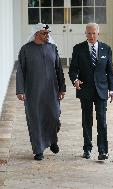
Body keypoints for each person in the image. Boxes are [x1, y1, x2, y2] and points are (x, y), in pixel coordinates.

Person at [16, 23, 66, 161]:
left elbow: (59, 69)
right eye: (44, 33)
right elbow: (20, 71)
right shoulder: (26, 50)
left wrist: (62, 88)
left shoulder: (53, 48)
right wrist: (20, 90)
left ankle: (52, 140)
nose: (47, 35)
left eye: (48, 33)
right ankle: (38, 150)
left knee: (54, 117)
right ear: (36, 34)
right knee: (35, 120)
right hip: (33, 92)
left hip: (52, 91)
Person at [68, 23, 113, 161]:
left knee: (102, 121)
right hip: (85, 90)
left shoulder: (106, 49)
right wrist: (75, 79)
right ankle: (87, 149)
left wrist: (112, 90)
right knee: (86, 120)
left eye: (93, 33)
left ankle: (103, 151)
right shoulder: (78, 49)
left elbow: (110, 72)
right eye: (88, 33)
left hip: (101, 90)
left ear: (98, 34)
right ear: (85, 34)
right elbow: (73, 69)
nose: (91, 36)